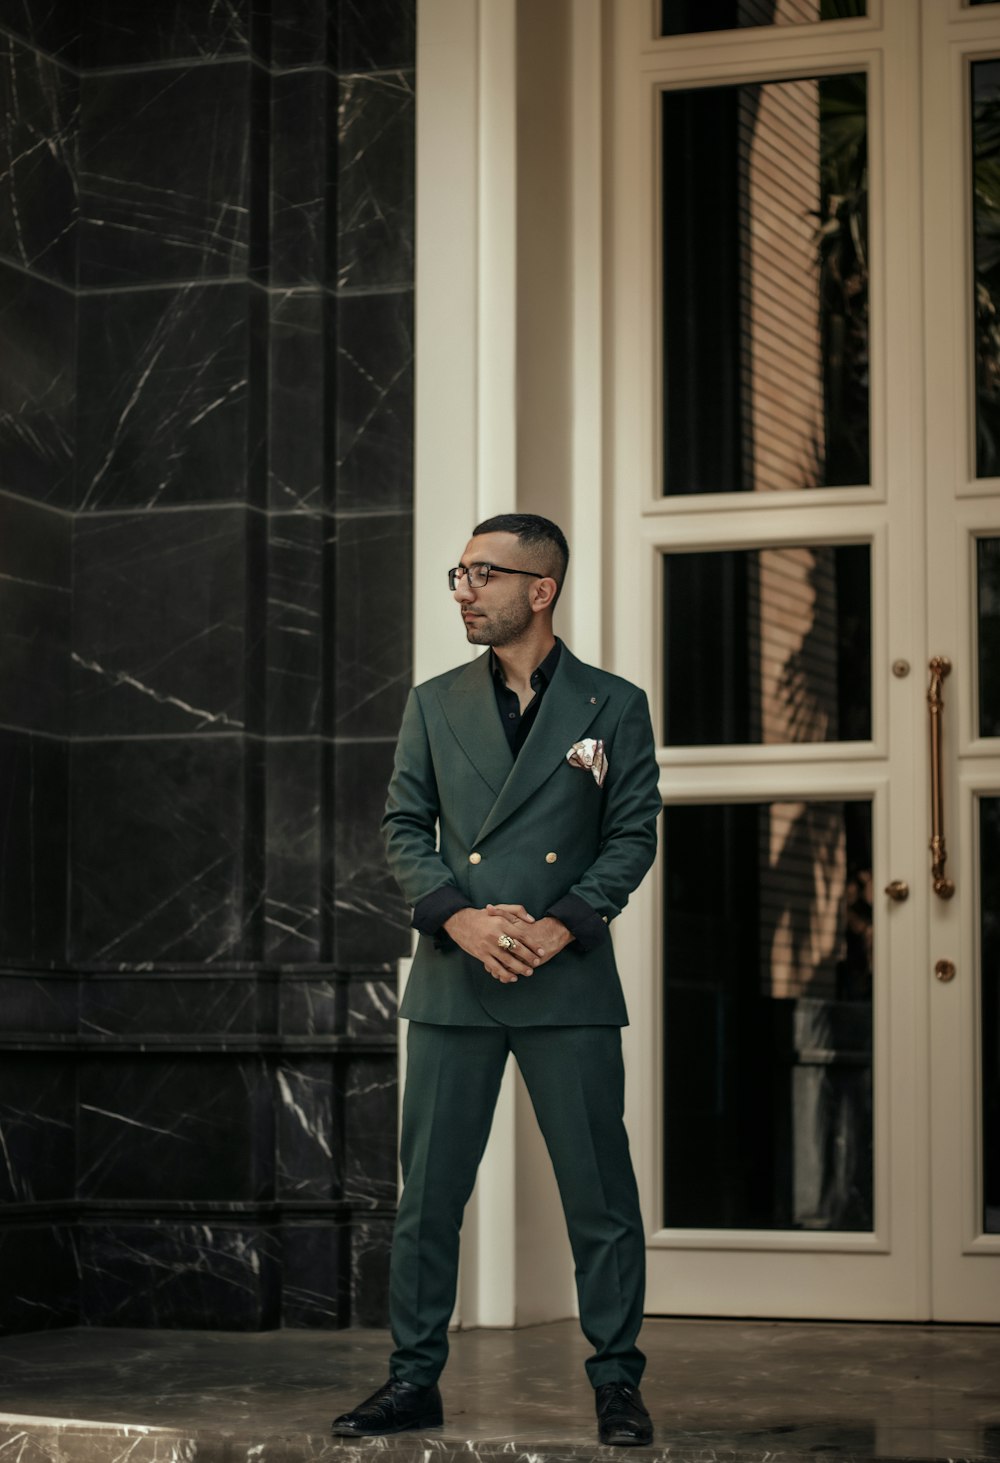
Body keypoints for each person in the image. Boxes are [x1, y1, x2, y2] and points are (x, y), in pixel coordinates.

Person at [331, 513, 661, 1447]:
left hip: (566, 979)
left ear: (542, 588)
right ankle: (411, 1378)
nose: (463, 589)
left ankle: (617, 1381)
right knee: (428, 1196)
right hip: (455, 973)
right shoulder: (434, 701)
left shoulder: (614, 704)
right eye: (458, 572)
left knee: (598, 1194)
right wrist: (461, 918)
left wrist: (560, 925)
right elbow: (403, 825)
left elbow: (632, 831)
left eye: (483, 572)